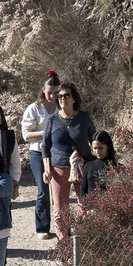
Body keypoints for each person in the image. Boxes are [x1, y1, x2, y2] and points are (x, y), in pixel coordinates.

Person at [43, 82, 98, 237]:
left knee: (85, 207)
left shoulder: (84, 118)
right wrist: (47, 169)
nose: (62, 99)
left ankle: (83, 242)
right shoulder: (52, 120)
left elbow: (94, 141)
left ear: (74, 98)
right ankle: (64, 246)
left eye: (66, 95)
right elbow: (45, 146)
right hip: (59, 168)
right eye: (59, 96)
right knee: (60, 210)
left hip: (83, 167)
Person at [22, 72, 62, 238]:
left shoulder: (62, 107)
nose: (52, 96)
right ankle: (42, 227)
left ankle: (62, 226)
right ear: (43, 90)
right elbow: (26, 135)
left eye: (55, 93)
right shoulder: (34, 108)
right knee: (43, 190)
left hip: (59, 153)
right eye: (49, 93)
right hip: (39, 153)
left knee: (60, 191)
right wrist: (45, 132)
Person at [80, 131, 119, 195]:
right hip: (90, 204)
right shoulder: (88, 166)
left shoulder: (117, 167)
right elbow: (83, 191)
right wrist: (84, 203)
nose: (97, 151)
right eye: (95, 148)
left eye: (101, 148)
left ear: (108, 147)